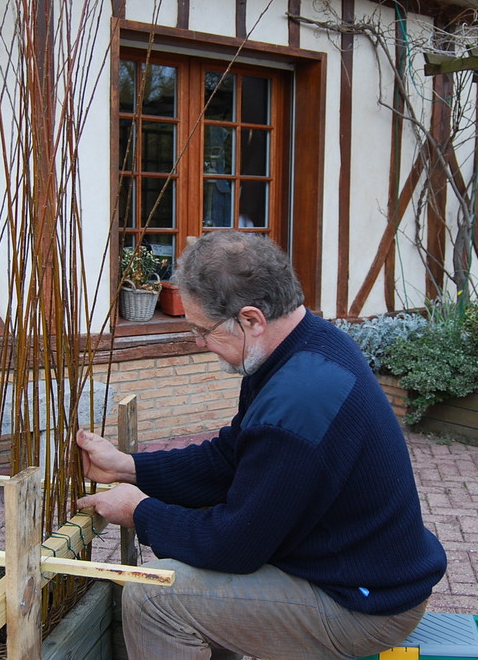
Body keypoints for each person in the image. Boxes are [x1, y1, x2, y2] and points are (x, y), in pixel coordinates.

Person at [76, 231, 446, 660]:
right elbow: (231, 456)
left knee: (155, 596)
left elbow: (235, 545)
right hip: (349, 570)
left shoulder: (298, 401)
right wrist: (127, 467)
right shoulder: (303, 346)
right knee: (193, 566)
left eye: (202, 330)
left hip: (362, 607)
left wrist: (140, 512)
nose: (198, 343)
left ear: (251, 319)